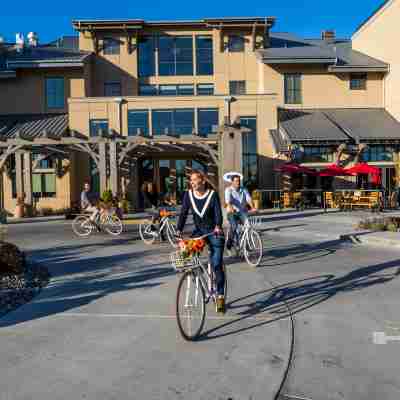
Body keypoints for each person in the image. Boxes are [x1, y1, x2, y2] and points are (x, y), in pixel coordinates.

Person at [176, 171, 226, 313]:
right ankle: (196, 277)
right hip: (199, 232)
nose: (192, 182)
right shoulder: (188, 195)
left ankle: (220, 295)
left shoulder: (212, 195)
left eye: (195, 179)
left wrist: (218, 226)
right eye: (191, 180)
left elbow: (218, 214)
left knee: (216, 264)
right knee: (187, 256)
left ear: (203, 181)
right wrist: (178, 230)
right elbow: (184, 213)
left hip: (213, 231)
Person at [225, 175, 256, 251]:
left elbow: (249, 199)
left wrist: (253, 207)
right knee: (234, 226)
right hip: (232, 213)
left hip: (242, 212)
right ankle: (230, 241)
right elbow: (227, 201)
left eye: (239, 181)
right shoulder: (228, 190)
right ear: (232, 182)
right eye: (236, 181)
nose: (238, 182)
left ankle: (247, 244)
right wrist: (230, 207)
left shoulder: (244, 189)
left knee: (248, 225)